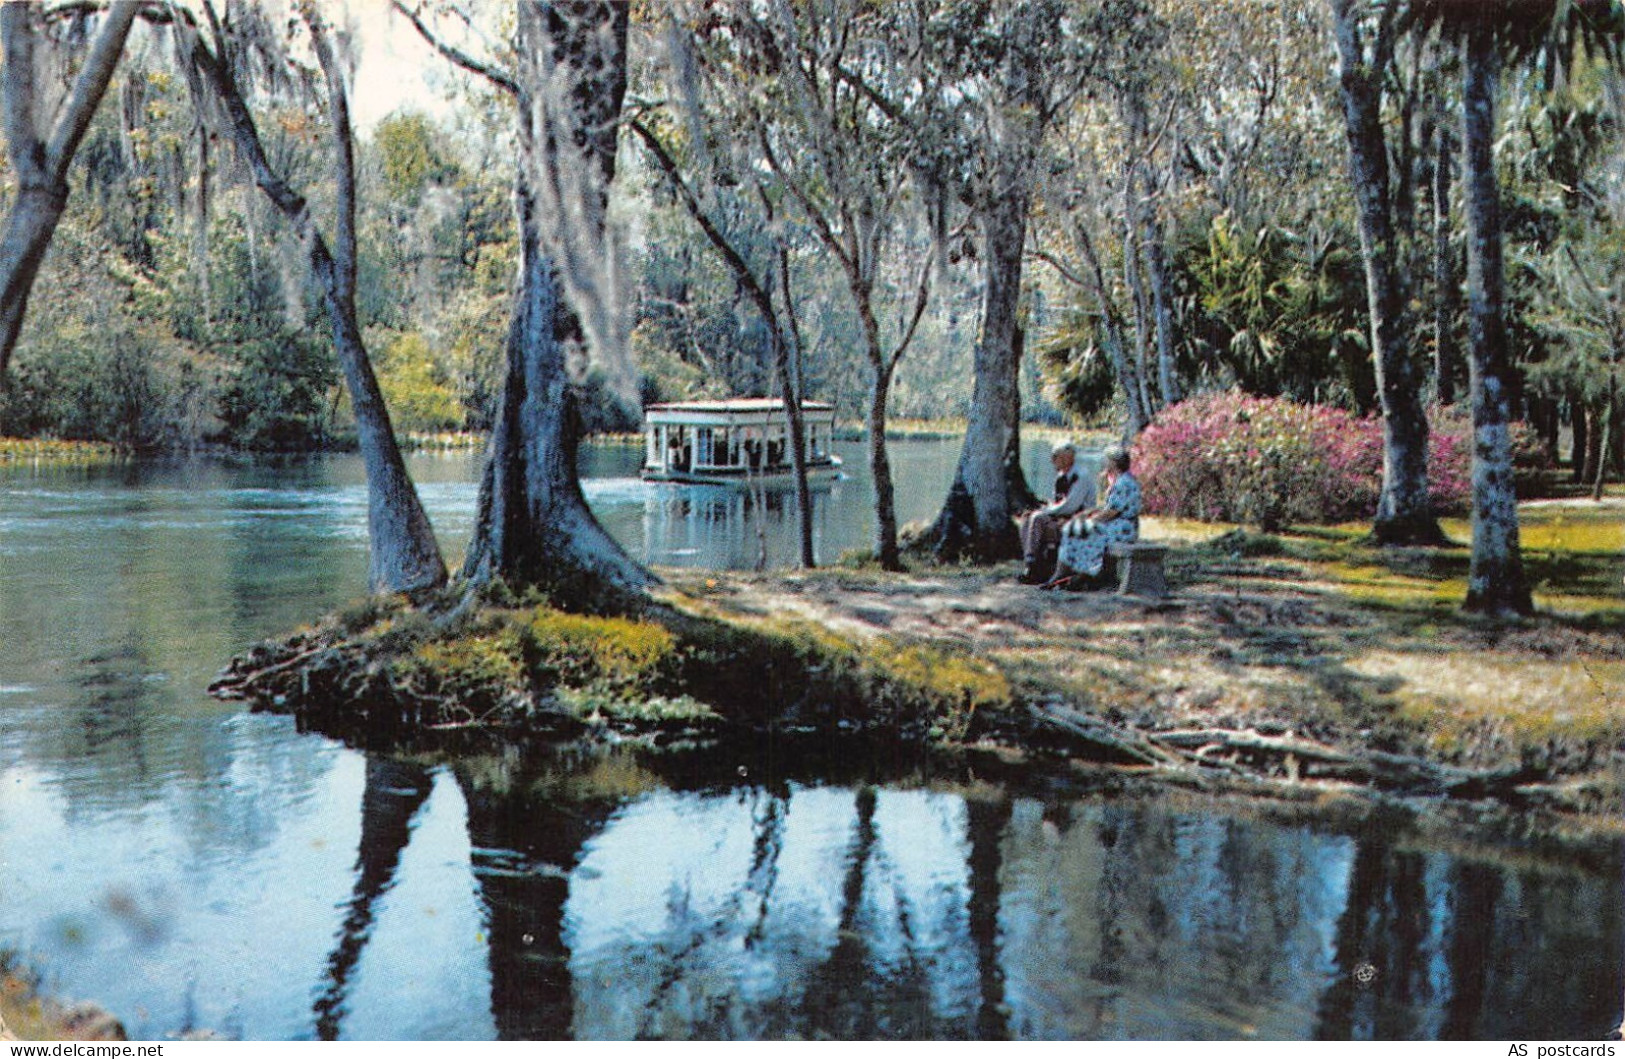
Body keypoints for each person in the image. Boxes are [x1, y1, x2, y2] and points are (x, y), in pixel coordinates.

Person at [1043, 444, 1141, 590]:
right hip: (1117, 524)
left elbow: (1112, 512)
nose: (1104, 463)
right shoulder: (1120, 480)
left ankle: (1080, 574)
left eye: (1106, 460)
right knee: (1074, 528)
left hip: (1123, 528)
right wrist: (1088, 513)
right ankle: (1068, 573)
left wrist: (1091, 520)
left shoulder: (1123, 483)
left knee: (1079, 530)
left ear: (1114, 463)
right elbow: (1110, 507)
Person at [1018, 440, 1096, 584]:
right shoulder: (1061, 476)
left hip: (1078, 520)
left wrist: (1045, 511)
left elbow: (1070, 506)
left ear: (1068, 458)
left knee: (1038, 518)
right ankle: (1032, 563)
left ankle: (1032, 566)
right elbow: (1057, 503)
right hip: (1062, 516)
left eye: (1056, 457)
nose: (1052, 460)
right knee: (1027, 518)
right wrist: (1044, 507)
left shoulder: (1080, 476)